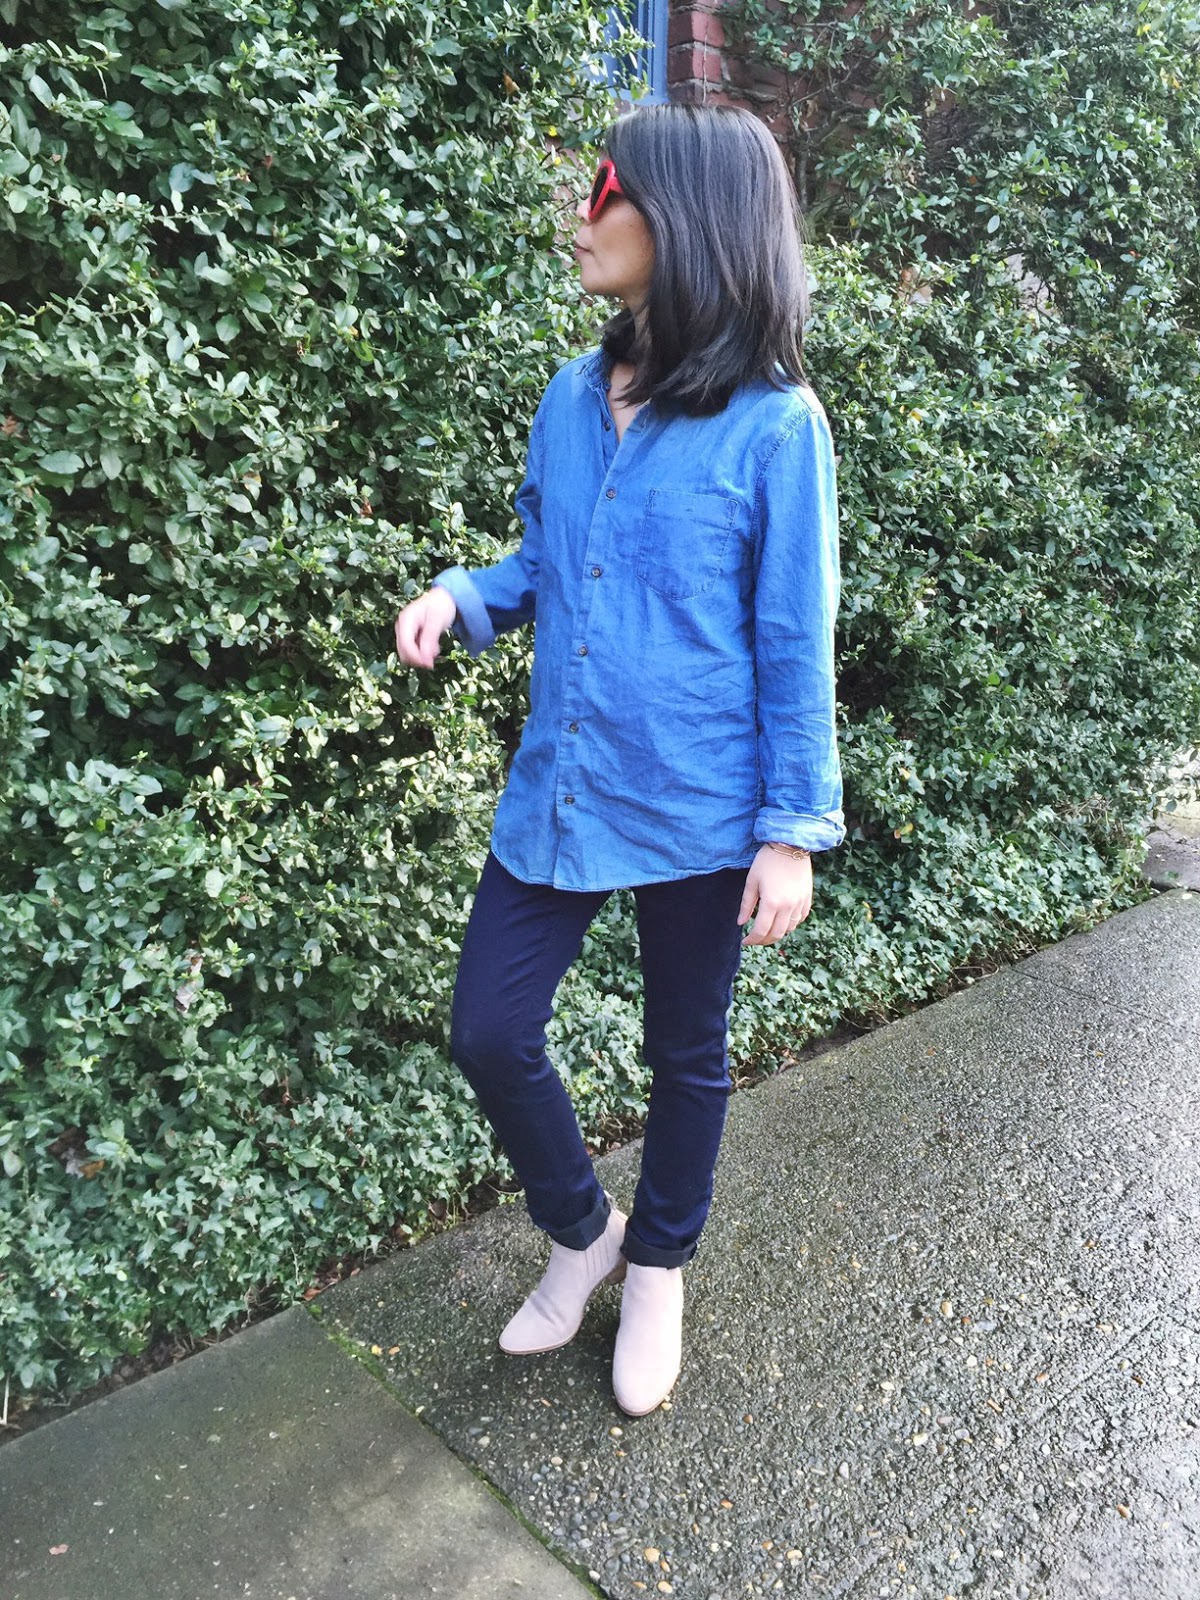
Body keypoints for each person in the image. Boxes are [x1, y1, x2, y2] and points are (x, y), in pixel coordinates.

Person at [393, 103, 844, 1417]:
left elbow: (793, 640)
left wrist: (791, 830)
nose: (581, 214)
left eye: (605, 190)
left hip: (703, 804)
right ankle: (583, 1231)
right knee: (489, 1027)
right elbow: (548, 560)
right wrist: (463, 597)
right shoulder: (568, 398)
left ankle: (657, 1272)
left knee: (685, 1053)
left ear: (684, 220)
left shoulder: (776, 427)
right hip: (568, 781)